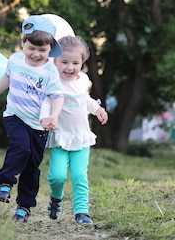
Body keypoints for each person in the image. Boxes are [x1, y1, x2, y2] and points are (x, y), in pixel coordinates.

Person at [0, 15, 65, 223]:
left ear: (50, 50)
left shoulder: (50, 72)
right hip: (15, 115)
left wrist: (53, 116)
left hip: (39, 125)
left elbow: (58, 97)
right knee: (21, 147)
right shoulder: (15, 60)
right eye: (31, 48)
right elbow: (7, 77)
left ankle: (24, 207)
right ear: (23, 43)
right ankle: (5, 183)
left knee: (31, 168)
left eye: (42, 50)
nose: (36, 54)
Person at [40, 35, 108, 225]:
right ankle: (55, 198)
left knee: (79, 175)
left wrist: (98, 110)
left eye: (75, 63)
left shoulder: (83, 80)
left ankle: (81, 211)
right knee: (57, 176)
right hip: (60, 137)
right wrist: (46, 117)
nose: (70, 67)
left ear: (82, 62)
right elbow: (47, 101)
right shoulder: (53, 81)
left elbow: (86, 100)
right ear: (55, 61)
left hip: (81, 138)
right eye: (64, 62)